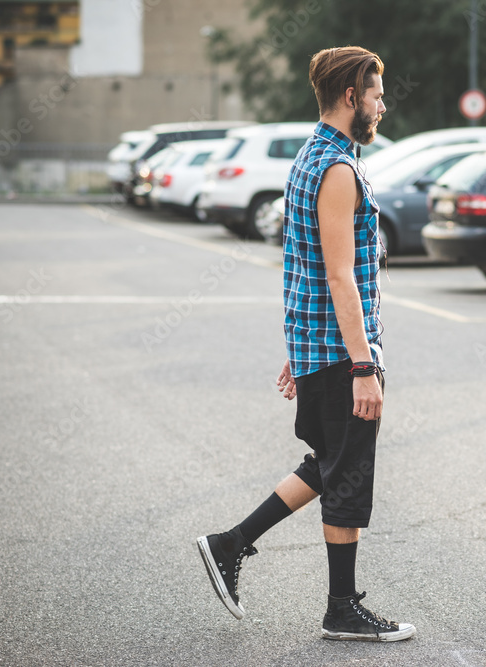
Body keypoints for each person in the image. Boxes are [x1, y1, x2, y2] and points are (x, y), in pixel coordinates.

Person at [196, 46, 415, 643]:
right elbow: (339, 275)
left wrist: (303, 348)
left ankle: (230, 544)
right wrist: (362, 366)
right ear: (351, 97)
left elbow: (303, 268)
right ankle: (340, 609)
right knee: (344, 476)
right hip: (345, 356)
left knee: (328, 464)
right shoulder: (338, 170)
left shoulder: (310, 158)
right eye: (375, 94)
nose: (381, 104)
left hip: (322, 348)